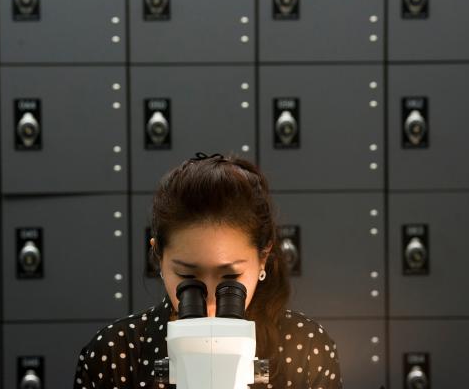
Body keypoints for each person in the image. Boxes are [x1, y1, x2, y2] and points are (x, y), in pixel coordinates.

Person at [73, 152, 343, 389]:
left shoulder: (306, 349)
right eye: (189, 279)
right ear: (158, 256)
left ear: (263, 258)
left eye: (231, 279)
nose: (211, 301)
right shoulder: (114, 354)